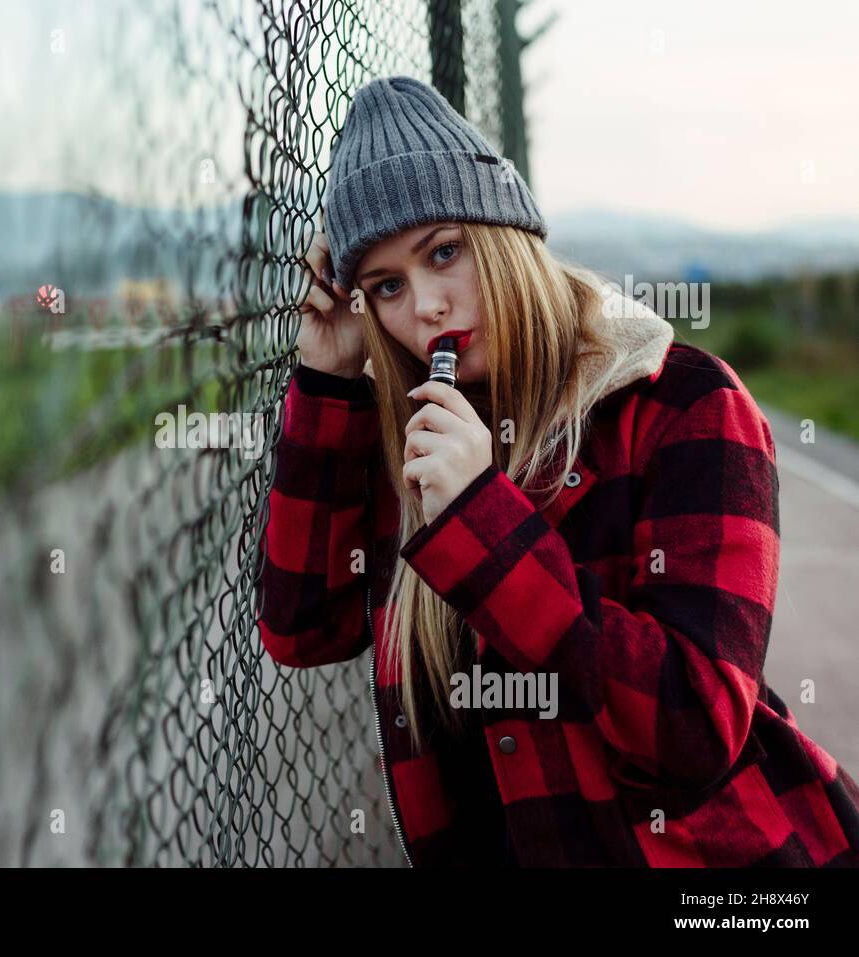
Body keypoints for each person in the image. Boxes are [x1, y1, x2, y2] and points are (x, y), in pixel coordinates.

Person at [257, 74, 859, 867]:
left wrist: (482, 521)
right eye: (388, 286)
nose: (429, 305)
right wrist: (330, 384)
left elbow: (695, 727)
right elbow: (302, 628)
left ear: (507, 235)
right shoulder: (413, 441)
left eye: (445, 251)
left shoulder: (681, 402)